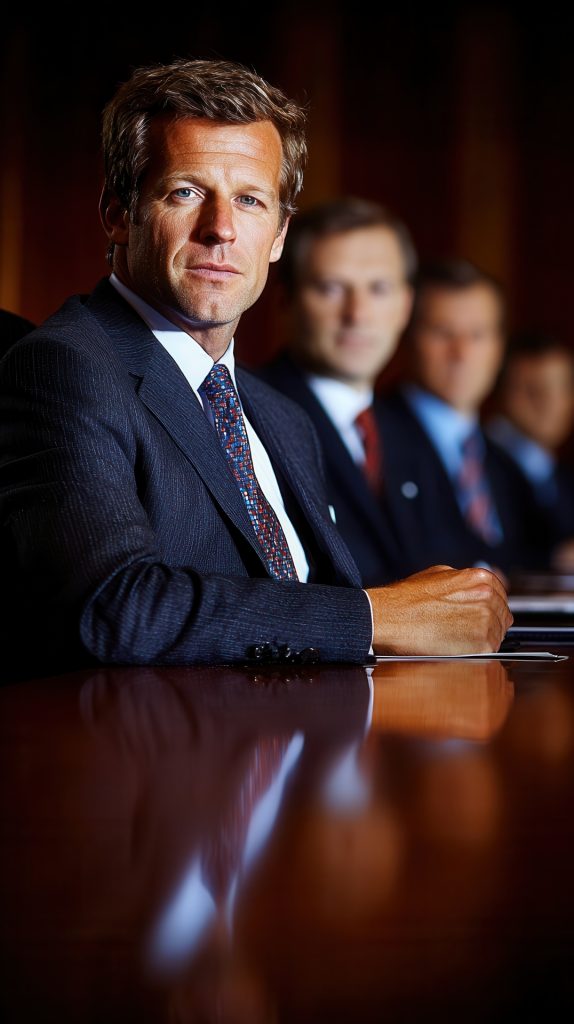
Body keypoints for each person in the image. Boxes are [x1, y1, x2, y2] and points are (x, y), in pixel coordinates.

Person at [0, 58, 511, 675]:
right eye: (186, 192)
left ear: (277, 236)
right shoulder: (64, 367)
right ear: (116, 212)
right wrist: (379, 617)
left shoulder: (280, 417)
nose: (220, 230)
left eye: (249, 200)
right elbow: (112, 608)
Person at [255, 196, 415, 585]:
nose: (356, 314)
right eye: (330, 288)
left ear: (405, 305)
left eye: (378, 289)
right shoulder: (249, 417)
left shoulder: (406, 427)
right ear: (285, 300)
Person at [376, 258, 550, 577]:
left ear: (499, 348)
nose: (461, 353)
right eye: (442, 332)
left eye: (478, 335)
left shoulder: (501, 461)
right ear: (408, 338)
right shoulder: (371, 437)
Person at [486, 331, 574, 570]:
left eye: (561, 388)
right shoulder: (478, 465)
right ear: (498, 389)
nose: (549, 403)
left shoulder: (560, 475)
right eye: (531, 389)